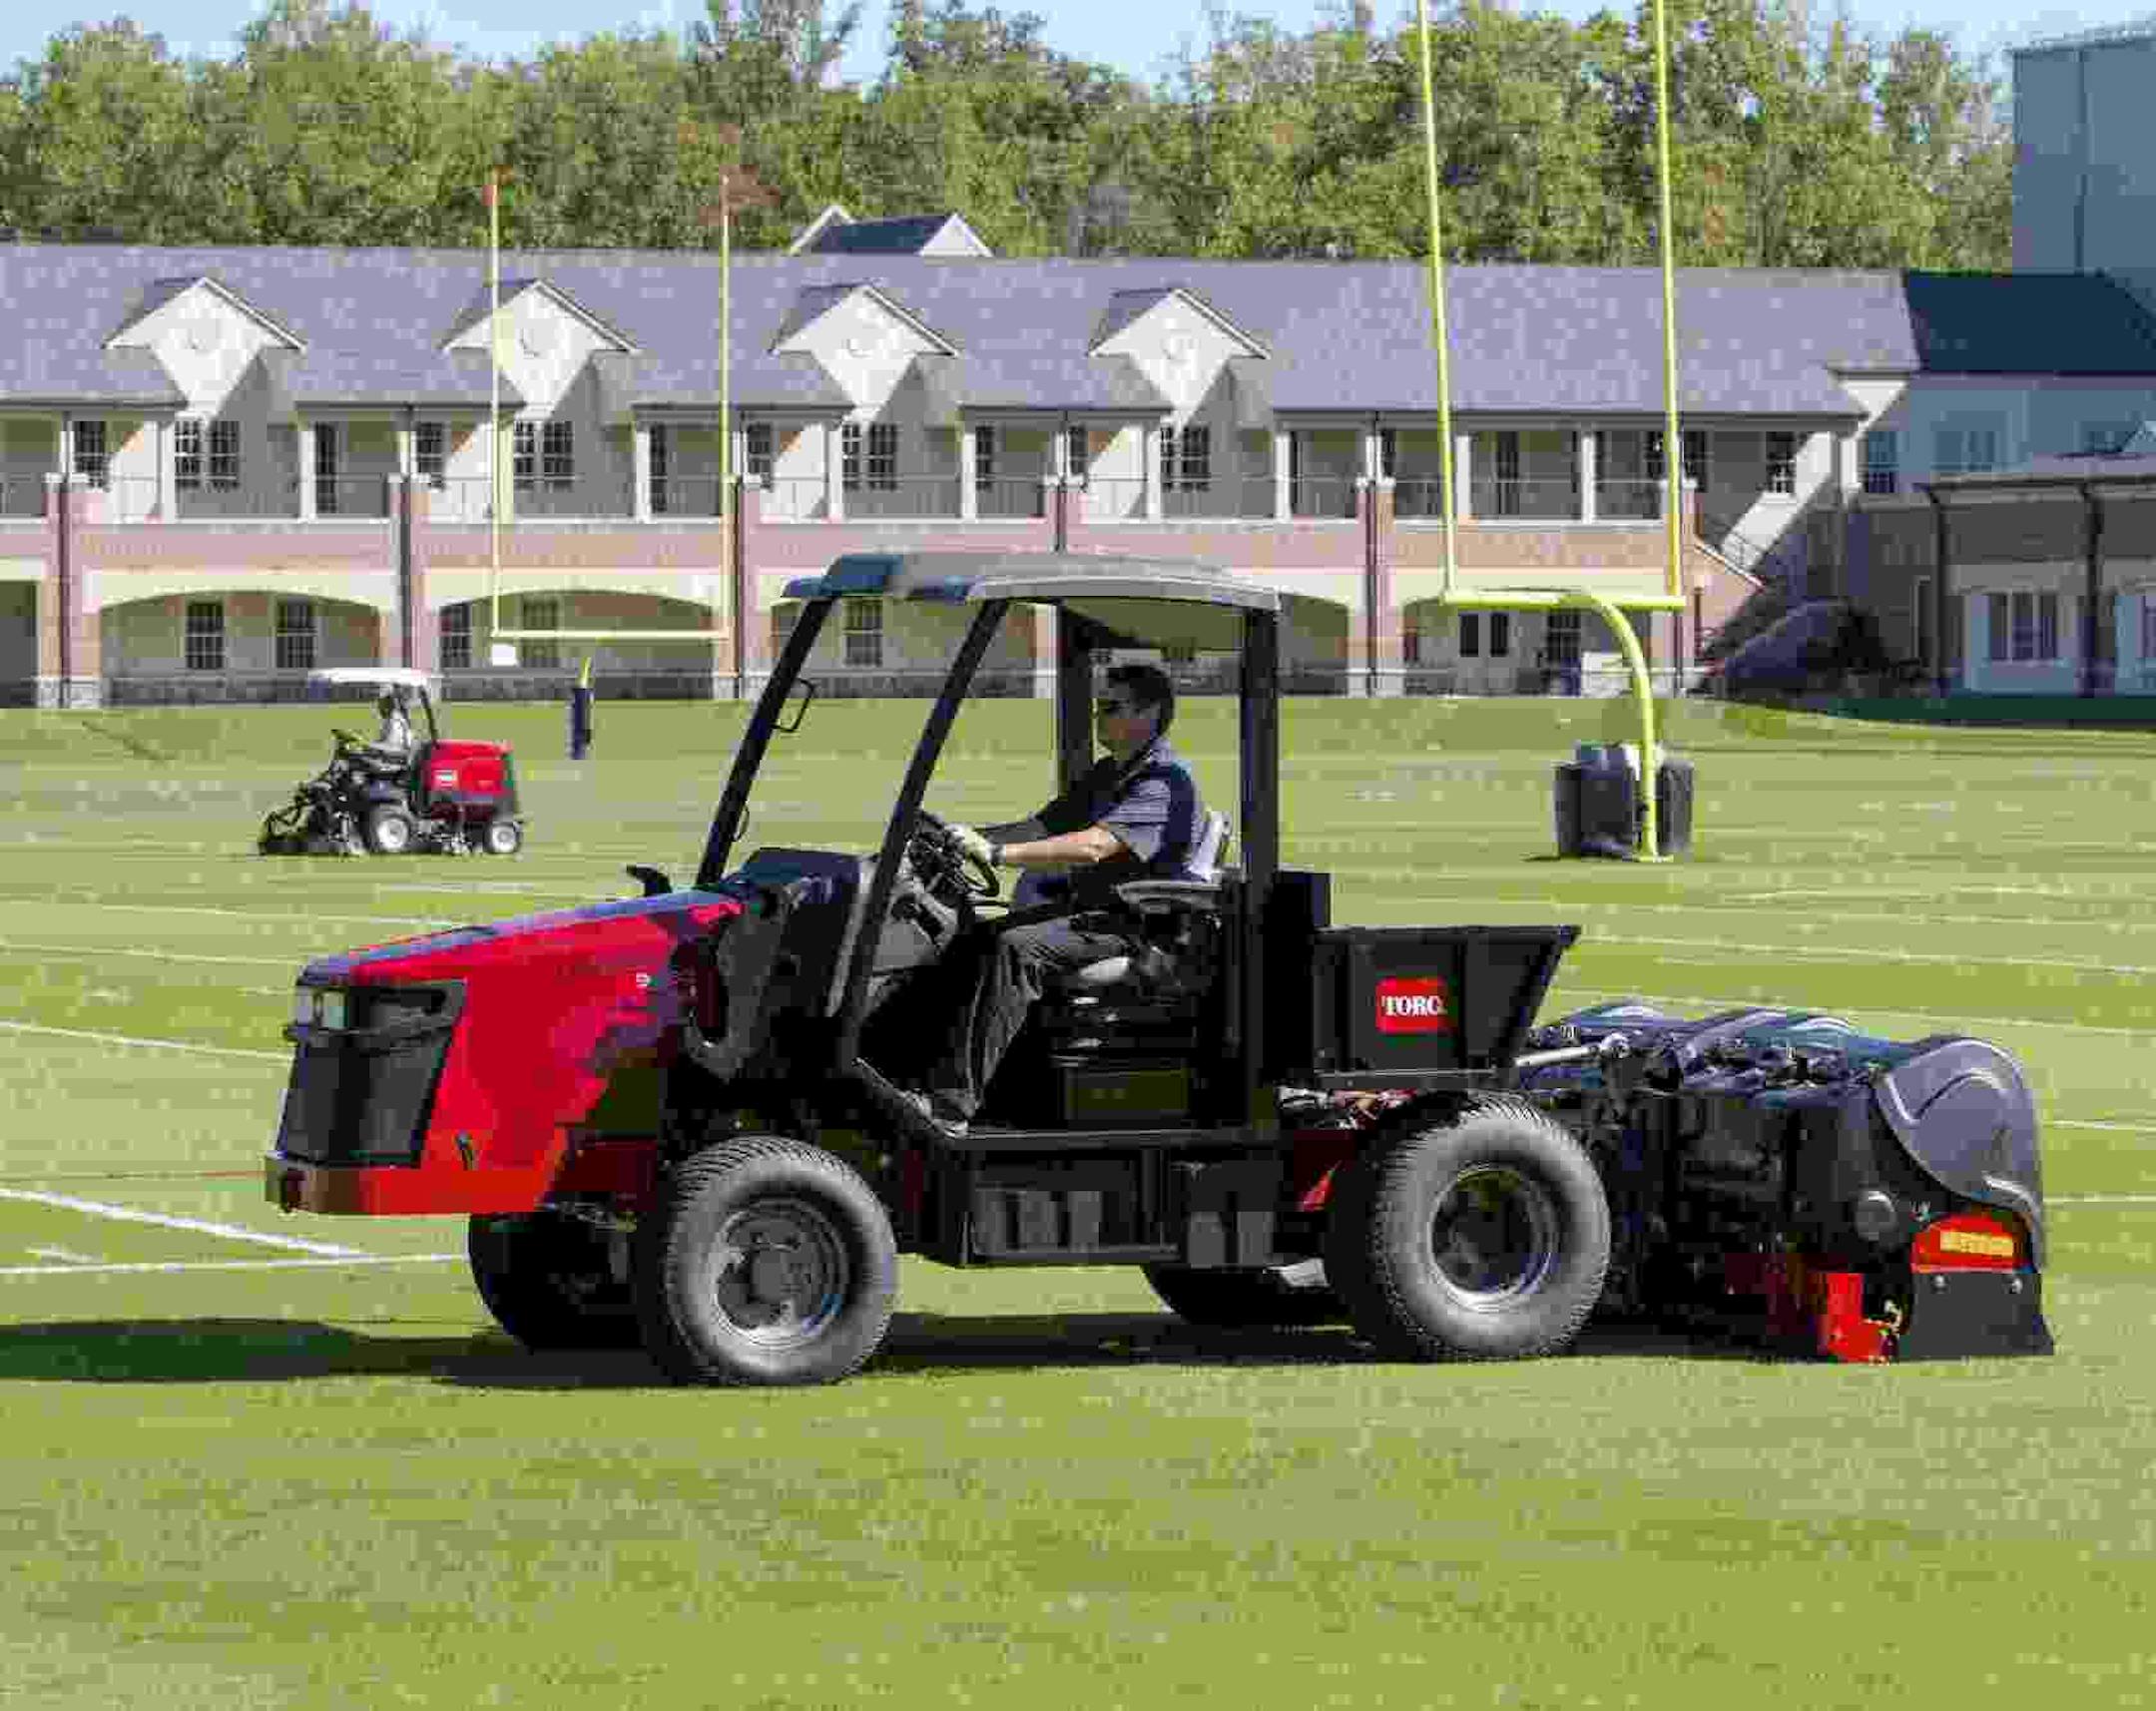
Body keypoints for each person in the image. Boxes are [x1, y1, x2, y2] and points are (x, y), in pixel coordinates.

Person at [908, 662, 1207, 1133]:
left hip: (1134, 926)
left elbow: (1094, 846)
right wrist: (965, 838)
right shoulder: (1108, 774)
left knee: (1016, 949)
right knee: (972, 936)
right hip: (1091, 916)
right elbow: (1041, 827)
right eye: (1099, 707)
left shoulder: (1163, 783)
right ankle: (931, 1077)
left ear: (1149, 714)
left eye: (1111, 708)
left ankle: (951, 1109)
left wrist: (997, 854)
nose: (1099, 716)